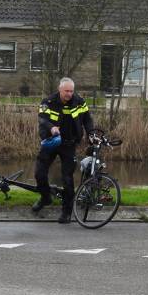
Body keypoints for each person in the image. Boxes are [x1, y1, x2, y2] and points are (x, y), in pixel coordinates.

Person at [33, 77, 94, 224]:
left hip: (69, 144)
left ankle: (66, 212)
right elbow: (42, 118)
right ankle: (46, 197)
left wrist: (91, 134)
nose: (69, 94)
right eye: (66, 91)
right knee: (39, 173)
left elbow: (87, 119)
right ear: (60, 89)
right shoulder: (48, 101)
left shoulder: (79, 102)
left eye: (71, 91)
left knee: (67, 178)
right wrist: (51, 127)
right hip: (52, 141)